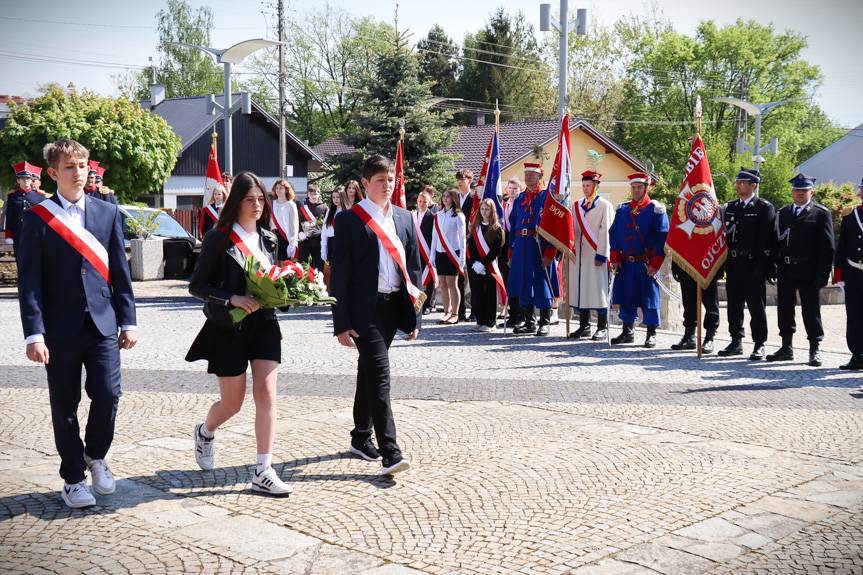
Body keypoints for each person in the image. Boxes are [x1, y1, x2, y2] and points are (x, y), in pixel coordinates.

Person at [18, 139, 137, 508]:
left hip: (102, 323)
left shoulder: (107, 212)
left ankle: (95, 455)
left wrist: (128, 320)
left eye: (82, 165)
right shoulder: (37, 216)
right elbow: (30, 281)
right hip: (59, 328)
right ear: (53, 173)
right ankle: (72, 477)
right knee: (64, 404)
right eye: (69, 167)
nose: (78, 172)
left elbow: (120, 270)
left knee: (108, 393)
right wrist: (34, 333)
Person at [186, 171, 292, 496]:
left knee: (267, 394)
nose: (257, 205)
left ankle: (263, 469)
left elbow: (278, 279)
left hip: (265, 324)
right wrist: (231, 298)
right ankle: (205, 432)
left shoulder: (270, 239)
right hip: (228, 327)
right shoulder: (219, 238)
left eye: (261, 199)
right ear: (237, 202)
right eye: (250, 199)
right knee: (233, 404)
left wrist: (290, 292)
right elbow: (196, 286)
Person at [330, 154, 423, 476]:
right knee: (380, 377)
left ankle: (359, 437)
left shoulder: (404, 218)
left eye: (392, 180)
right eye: (381, 180)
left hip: (392, 307)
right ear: (366, 183)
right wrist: (340, 322)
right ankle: (391, 452)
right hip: (363, 310)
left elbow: (413, 269)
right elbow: (339, 274)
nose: (388, 185)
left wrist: (416, 315)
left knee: (367, 373)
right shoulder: (348, 220)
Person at [767, 173, 835, 367]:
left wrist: (823, 274)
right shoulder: (784, 212)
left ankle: (815, 349)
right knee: (785, 309)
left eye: (804, 190)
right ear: (792, 192)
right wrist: (772, 265)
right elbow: (775, 242)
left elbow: (828, 246)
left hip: (809, 269)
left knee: (811, 310)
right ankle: (786, 347)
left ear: (811, 192)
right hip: (787, 268)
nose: (800, 193)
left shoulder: (821, 213)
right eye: (797, 190)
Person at [718, 167, 776, 360]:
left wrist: (763, 267)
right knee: (734, 305)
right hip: (734, 263)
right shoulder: (731, 207)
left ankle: (759, 343)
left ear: (753, 185)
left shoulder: (763, 208)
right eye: (737, 182)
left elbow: (766, 241)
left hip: (753, 264)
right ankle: (736, 341)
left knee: (756, 307)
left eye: (742, 183)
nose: (738, 185)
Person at [609, 172, 669, 348]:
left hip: (645, 263)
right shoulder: (622, 210)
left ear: (646, 188)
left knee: (649, 299)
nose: (635, 190)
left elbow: (662, 238)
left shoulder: (656, 209)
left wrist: (655, 263)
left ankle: (651, 333)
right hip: (627, 262)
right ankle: (628, 332)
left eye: (639, 187)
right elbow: (613, 233)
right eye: (633, 187)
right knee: (627, 297)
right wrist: (615, 257)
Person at [507, 162, 556, 336]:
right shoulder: (519, 198)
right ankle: (529, 321)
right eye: (526, 174)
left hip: (539, 244)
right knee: (523, 281)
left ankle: (544, 321)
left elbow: (552, 227)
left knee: (541, 282)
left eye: (532, 175)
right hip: (521, 243)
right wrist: (511, 251)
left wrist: (550, 252)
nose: (528, 177)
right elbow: (513, 225)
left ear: (540, 177)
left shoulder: (546, 197)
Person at [567, 170, 613, 341]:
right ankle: (584, 326)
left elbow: (606, 231)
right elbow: (573, 229)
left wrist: (602, 254)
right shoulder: (577, 205)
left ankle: (602, 327)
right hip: (580, 255)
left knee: (598, 290)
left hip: (595, 253)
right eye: (584, 185)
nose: (585, 189)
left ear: (596, 186)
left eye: (589, 185)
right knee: (581, 290)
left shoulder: (604, 205)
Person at [834, 177, 863, 370]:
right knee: (854, 315)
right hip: (854, 272)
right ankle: (857, 354)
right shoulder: (851, 215)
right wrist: (838, 274)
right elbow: (842, 246)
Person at [467, 198, 506, 331]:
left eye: (487, 209)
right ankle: (480, 319)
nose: (484, 212)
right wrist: (475, 263)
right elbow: (471, 247)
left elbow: (495, 250)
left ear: (492, 211)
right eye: (482, 209)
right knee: (477, 293)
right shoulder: (475, 227)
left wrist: (483, 263)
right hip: (476, 266)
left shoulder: (496, 228)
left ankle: (490, 322)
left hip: (489, 266)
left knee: (489, 293)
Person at [430, 188, 466, 324]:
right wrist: (431, 255)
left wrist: (462, 258)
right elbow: (434, 237)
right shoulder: (438, 215)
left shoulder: (458, 216)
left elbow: (463, 239)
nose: (445, 199)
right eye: (443, 196)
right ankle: (446, 312)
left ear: (454, 199)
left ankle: (455, 314)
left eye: (448, 196)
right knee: (443, 284)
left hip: (453, 253)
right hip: (440, 253)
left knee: (452, 283)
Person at [2, 162, 46, 266]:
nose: (25, 181)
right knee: (20, 261)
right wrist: (9, 235)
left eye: (28, 178)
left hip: (35, 234)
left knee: (35, 261)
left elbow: (44, 218)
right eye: (22, 178)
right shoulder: (13, 197)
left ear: (31, 180)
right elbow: (9, 217)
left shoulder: (39, 197)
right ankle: (22, 281)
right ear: (18, 180)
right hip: (19, 234)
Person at [501, 178, 524, 327]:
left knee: (518, 282)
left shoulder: (522, 203)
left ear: (520, 190)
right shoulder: (504, 205)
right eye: (510, 188)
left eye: (515, 188)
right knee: (508, 281)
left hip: (518, 243)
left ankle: (521, 315)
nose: (512, 191)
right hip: (505, 245)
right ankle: (512, 314)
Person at [414, 185, 438, 315]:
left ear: (429, 203)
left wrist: (432, 253)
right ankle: (418, 303)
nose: (422, 204)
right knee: (417, 278)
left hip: (428, 251)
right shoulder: (413, 215)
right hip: (416, 252)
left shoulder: (432, 217)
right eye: (420, 201)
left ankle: (428, 304)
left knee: (429, 279)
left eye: (425, 202)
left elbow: (434, 236)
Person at [455, 169, 475, 321]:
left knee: (474, 278)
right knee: (459, 278)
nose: (460, 182)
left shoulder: (475, 197)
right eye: (458, 179)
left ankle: (475, 311)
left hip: (472, 242)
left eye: (463, 179)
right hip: (456, 243)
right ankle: (460, 312)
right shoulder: (454, 198)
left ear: (469, 180)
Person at [297, 183, 326, 270]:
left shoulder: (324, 208)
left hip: (319, 243)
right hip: (305, 243)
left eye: (315, 194)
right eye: (311, 194)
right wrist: (300, 233)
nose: (313, 196)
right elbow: (298, 222)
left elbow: (326, 225)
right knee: (304, 269)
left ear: (319, 194)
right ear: (308, 194)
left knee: (319, 269)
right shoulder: (302, 207)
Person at [270, 179, 299, 261]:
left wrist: (293, 242)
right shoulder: (272, 203)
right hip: (274, 236)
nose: (278, 190)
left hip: (286, 237)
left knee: (285, 265)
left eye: (281, 188)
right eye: (277, 188)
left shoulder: (291, 205)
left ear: (286, 190)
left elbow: (294, 225)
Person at [321, 187, 346, 265]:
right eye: (333, 197)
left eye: (338, 197)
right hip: (332, 242)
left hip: (344, 242)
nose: (335, 199)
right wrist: (323, 249)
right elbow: (324, 231)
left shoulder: (347, 210)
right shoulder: (330, 211)